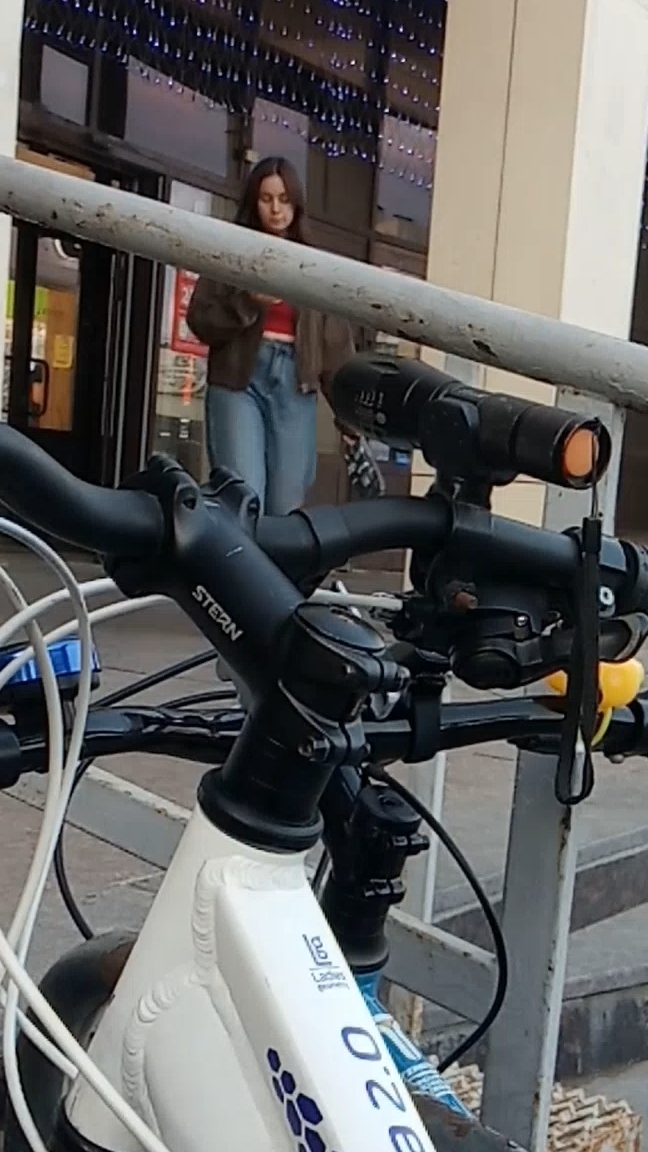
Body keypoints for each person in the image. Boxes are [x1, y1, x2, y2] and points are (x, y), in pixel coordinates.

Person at [186, 155, 357, 515]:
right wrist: (247, 303)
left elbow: (335, 346)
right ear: (254, 202)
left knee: (285, 506)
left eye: (284, 199)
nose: (276, 210)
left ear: (297, 204)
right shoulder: (231, 251)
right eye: (266, 199)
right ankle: (237, 553)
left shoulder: (313, 264)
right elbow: (201, 320)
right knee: (243, 497)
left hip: (295, 383)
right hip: (239, 381)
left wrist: (350, 417)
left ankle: (269, 556)